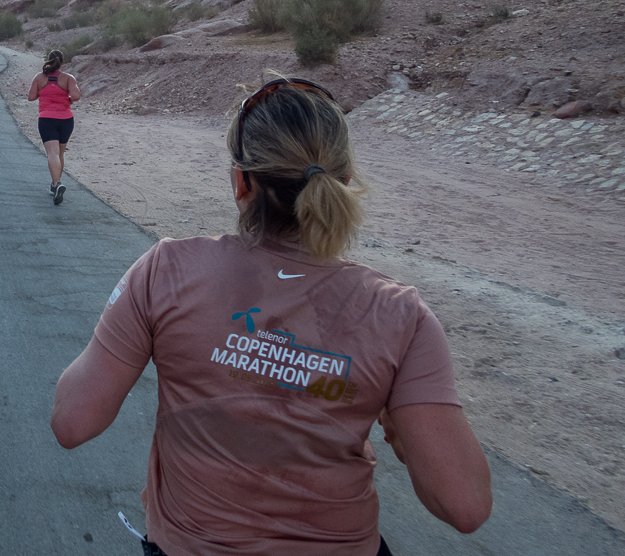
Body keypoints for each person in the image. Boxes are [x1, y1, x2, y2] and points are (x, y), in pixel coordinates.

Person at [50, 77, 493, 556]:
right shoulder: (400, 315)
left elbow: (72, 422)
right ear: (342, 183)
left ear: (242, 181)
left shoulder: (166, 270)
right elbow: (463, 505)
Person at [27, 49, 80, 205]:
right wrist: (68, 99)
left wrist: (43, 94)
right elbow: (76, 96)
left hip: (47, 118)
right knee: (60, 153)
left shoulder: (39, 78)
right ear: (62, 62)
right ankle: (55, 183)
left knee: (52, 153)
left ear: (48, 60)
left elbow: (30, 97)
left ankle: (56, 184)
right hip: (66, 119)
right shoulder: (68, 78)